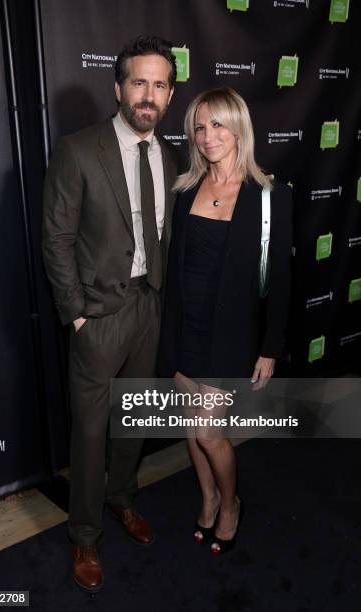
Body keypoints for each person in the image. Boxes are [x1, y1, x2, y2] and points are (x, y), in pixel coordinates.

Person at [42, 35, 178, 591]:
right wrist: (77, 315)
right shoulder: (79, 149)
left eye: (161, 85)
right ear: (118, 86)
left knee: (134, 421)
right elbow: (57, 238)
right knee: (91, 434)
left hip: (150, 307)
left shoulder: (169, 155)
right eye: (139, 82)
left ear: (170, 94)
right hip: (98, 317)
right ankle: (85, 535)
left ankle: (124, 500)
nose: (149, 95)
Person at [158, 87, 292, 555]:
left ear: (239, 127)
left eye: (217, 123)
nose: (207, 135)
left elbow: (280, 278)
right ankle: (209, 496)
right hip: (182, 328)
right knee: (190, 428)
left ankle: (231, 504)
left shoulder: (271, 196)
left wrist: (270, 347)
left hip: (229, 334)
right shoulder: (186, 188)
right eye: (199, 126)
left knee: (208, 432)